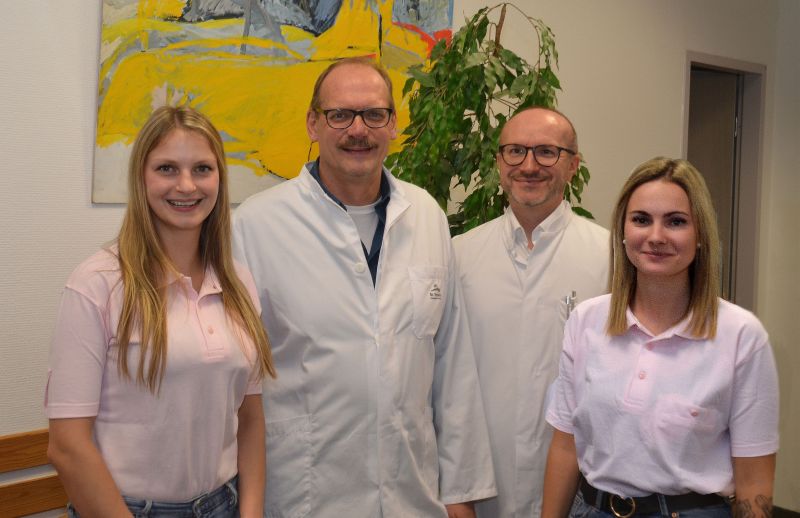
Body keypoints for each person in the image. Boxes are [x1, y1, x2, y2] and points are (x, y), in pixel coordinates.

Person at [232, 57, 496, 518]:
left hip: (412, 493)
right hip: (304, 493)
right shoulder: (255, 225)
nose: (359, 130)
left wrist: (460, 494)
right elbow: (234, 378)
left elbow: (453, 368)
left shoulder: (426, 215)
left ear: (393, 125)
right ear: (313, 123)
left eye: (374, 114)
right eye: (340, 115)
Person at [46, 105, 276, 517]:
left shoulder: (238, 283)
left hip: (223, 504)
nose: (186, 186)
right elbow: (67, 446)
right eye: (167, 168)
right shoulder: (96, 284)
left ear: (220, 179)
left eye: (202, 169)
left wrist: (252, 512)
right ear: (141, 178)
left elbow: (250, 416)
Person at [543, 157, 779, 518]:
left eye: (676, 222)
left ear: (699, 235)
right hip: (592, 509)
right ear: (622, 230)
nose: (656, 236)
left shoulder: (742, 336)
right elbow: (565, 446)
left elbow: (754, 480)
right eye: (641, 220)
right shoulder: (586, 321)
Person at [453, 106, 609, 517]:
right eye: (516, 152)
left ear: (573, 165)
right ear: (499, 164)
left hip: (579, 491)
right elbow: (442, 380)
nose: (529, 165)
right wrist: (453, 490)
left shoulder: (611, 258)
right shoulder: (459, 254)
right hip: (477, 484)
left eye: (546, 152)